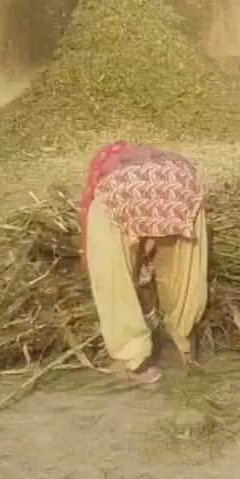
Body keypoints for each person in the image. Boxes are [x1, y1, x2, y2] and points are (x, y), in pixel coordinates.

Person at [80, 141, 208, 385]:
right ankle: (185, 345)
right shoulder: (161, 157)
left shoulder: (104, 172)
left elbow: (104, 257)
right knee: (184, 273)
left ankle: (133, 361)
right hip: (181, 184)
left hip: (122, 192)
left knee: (114, 279)